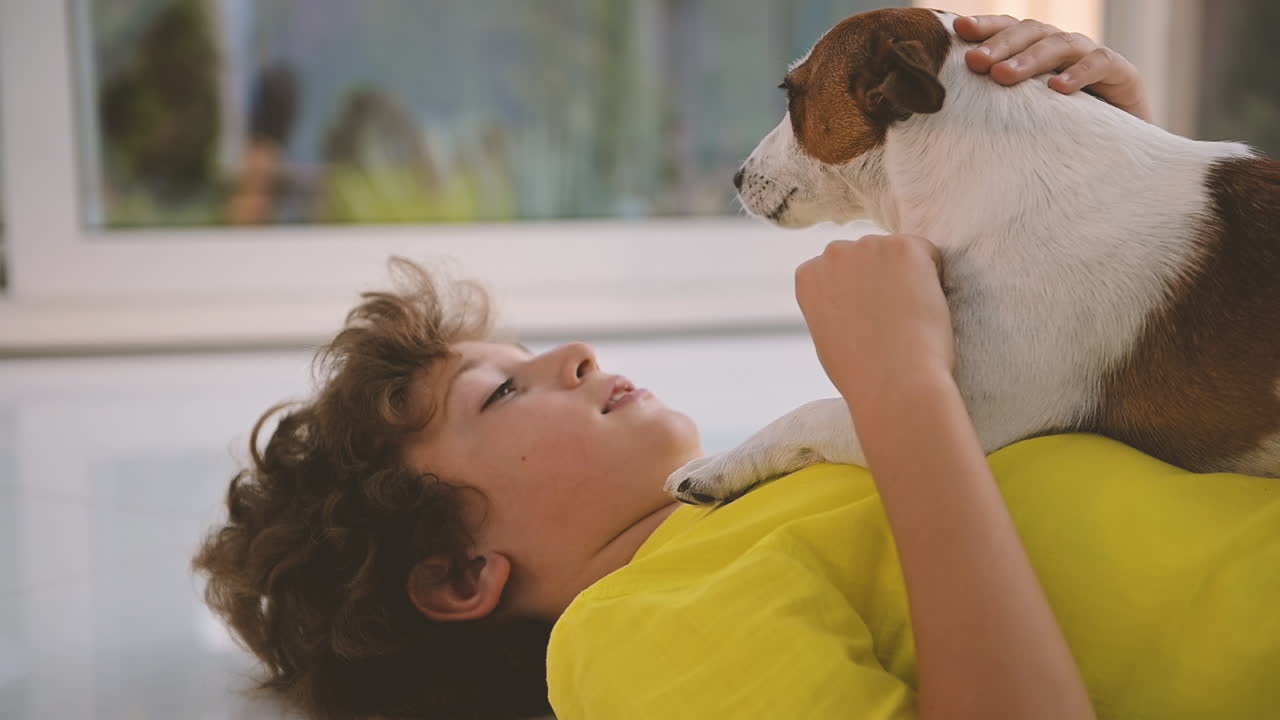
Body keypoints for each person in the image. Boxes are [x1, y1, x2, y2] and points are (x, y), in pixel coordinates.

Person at [192, 15, 1278, 720]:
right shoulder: (631, 645)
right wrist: (902, 394)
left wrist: (1118, 196)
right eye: (501, 390)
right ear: (460, 576)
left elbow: (1146, 404)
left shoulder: (784, 487)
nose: (573, 353)